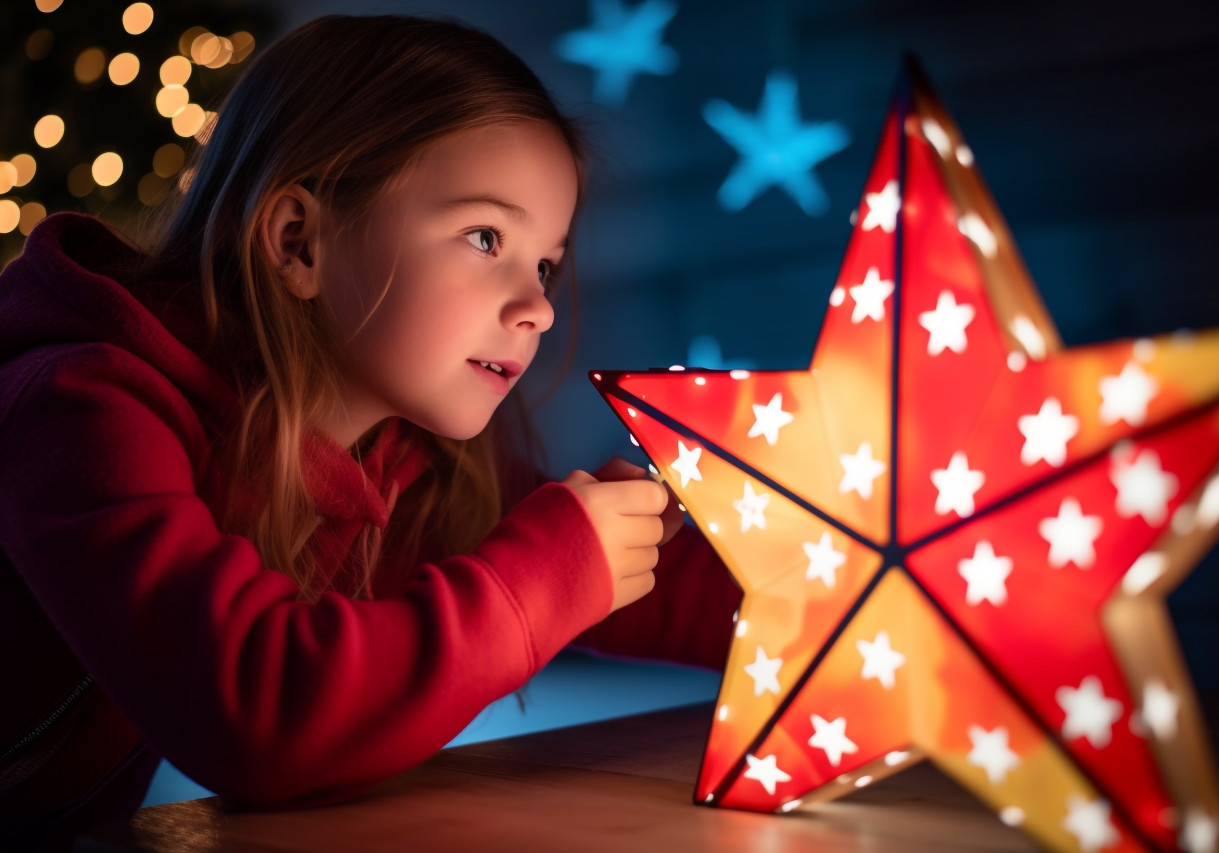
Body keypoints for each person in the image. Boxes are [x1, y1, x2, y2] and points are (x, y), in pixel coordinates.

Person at [0, 15, 740, 848]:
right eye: (485, 237)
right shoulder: (79, 409)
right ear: (299, 241)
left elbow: (672, 586)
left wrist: (858, 585)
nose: (537, 307)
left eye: (545, 263)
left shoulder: (402, 463)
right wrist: (545, 577)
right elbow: (258, 715)